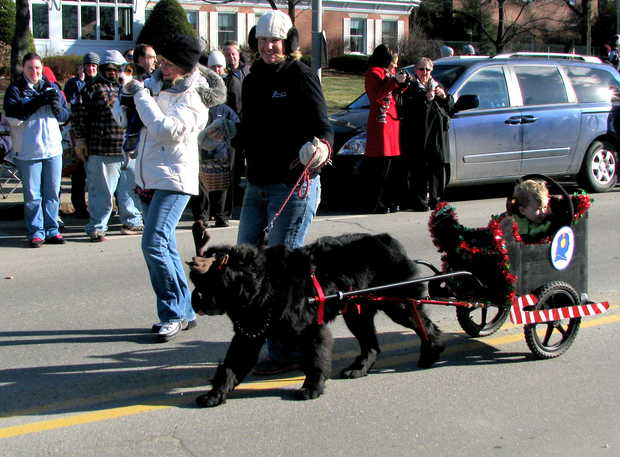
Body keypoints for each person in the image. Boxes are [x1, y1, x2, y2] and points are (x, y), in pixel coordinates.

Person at [207, 10, 334, 373]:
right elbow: (249, 131)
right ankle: (255, 342)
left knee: (278, 273)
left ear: (288, 43)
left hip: (292, 188)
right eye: (262, 40)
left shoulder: (300, 76)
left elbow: (324, 126)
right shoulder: (253, 79)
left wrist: (322, 148)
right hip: (257, 186)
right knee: (245, 267)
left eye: (275, 41)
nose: (268, 47)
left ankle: (285, 351)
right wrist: (225, 132)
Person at [119, 34, 208, 341]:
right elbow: (134, 123)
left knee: (153, 243)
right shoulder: (155, 86)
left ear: (185, 66)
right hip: (149, 178)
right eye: (162, 60)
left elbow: (164, 130)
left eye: (170, 63)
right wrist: (126, 98)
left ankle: (172, 312)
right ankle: (185, 310)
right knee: (165, 244)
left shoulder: (194, 97)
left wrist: (141, 97)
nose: (162, 67)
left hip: (175, 179)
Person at [72, 49, 144, 241]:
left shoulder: (129, 88)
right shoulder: (91, 89)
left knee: (129, 190)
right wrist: (80, 140)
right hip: (102, 149)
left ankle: (133, 220)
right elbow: (79, 116)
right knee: (101, 193)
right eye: (110, 69)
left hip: (128, 149)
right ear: (103, 68)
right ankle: (97, 226)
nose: (115, 72)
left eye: (119, 69)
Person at [3, 53, 71, 247]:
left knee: (52, 193)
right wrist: (35, 102)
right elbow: (12, 117)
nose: (35, 72)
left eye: (38, 68)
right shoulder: (16, 90)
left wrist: (58, 108)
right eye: (30, 68)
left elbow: (65, 115)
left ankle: (52, 230)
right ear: (23, 69)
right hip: (28, 151)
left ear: (42, 69)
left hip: (52, 149)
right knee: (33, 195)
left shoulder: (52, 87)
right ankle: (36, 231)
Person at [399, 57, 450, 212]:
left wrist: (444, 97)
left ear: (432, 70)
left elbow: (449, 106)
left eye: (427, 69)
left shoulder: (437, 85)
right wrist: (425, 99)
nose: (424, 73)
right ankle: (420, 201)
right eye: (421, 69)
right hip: (418, 135)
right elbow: (407, 108)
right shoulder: (411, 87)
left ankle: (436, 199)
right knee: (418, 169)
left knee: (437, 167)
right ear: (416, 70)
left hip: (437, 135)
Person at [364, 44, 406, 214]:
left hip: (392, 121)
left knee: (391, 166)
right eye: (391, 60)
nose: (394, 64)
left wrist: (402, 83)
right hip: (380, 122)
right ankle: (377, 202)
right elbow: (377, 95)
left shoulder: (388, 73)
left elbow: (395, 91)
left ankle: (390, 199)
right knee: (380, 167)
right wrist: (393, 82)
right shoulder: (373, 73)